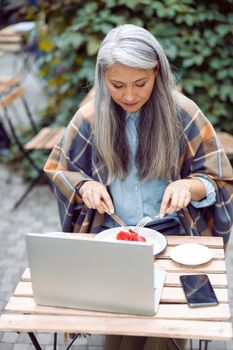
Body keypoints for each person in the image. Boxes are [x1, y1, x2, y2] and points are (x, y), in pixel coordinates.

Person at [44, 24, 233, 350]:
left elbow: (220, 179)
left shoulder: (184, 114)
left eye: (140, 83)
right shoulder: (89, 117)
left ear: (157, 72)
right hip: (113, 245)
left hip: (175, 246)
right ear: (102, 79)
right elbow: (59, 170)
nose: (129, 96)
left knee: (160, 341)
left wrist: (190, 186)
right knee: (116, 341)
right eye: (117, 85)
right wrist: (84, 185)